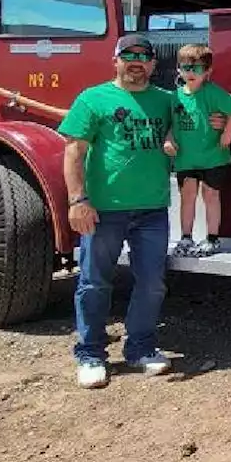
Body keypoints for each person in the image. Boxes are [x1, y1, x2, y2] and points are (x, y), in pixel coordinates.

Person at [59, 35, 177, 389]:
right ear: (116, 60)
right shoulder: (93, 99)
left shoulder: (166, 101)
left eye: (144, 56)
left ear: (154, 65)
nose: (136, 62)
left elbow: (196, 120)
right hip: (103, 211)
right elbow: (73, 152)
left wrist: (226, 122)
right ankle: (90, 354)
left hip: (153, 210)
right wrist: (78, 201)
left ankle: (140, 348)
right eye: (129, 55)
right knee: (94, 282)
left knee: (153, 283)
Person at [165, 43, 231, 258]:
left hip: (213, 156)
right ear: (179, 70)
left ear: (208, 71)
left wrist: (227, 133)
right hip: (185, 159)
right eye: (185, 68)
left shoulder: (212, 92)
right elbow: (170, 124)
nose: (191, 73)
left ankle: (212, 238)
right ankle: (185, 237)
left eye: (198, 68)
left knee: (210, 195)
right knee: (187, 196)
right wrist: (169, 139)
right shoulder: (174, 97)